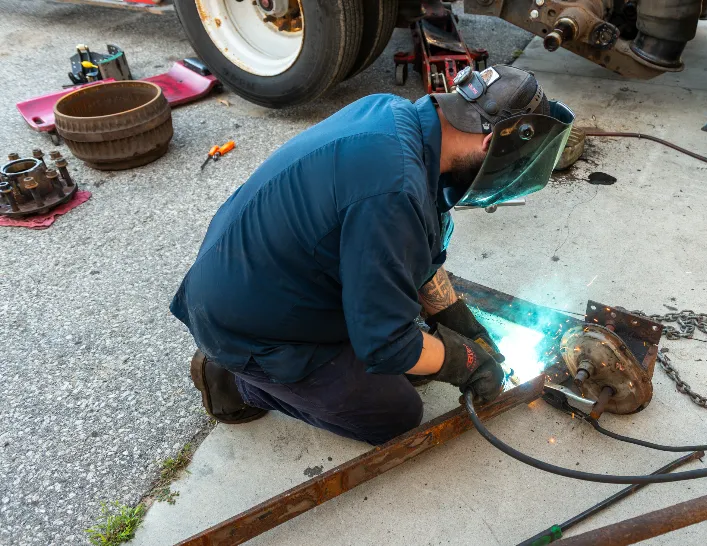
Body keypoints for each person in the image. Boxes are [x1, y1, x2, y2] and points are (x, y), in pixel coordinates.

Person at [170, 64, 574, 445]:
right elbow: (387, 345)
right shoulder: (395, 191)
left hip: (261, 277)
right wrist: (466, 361)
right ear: (491, 144)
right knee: (393, 413)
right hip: (249, 324)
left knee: (414, 353)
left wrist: (460, 324)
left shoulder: (398, 118)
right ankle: (231, 379)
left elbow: (416, 255)